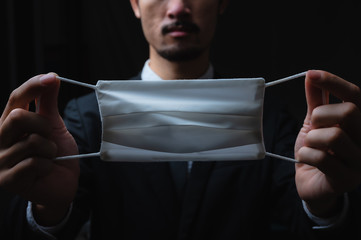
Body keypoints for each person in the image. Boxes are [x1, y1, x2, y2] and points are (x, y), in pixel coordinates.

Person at [1, 0, 361, 239]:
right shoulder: (84, 119)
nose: (178, 7)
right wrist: (48, 209)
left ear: (221, 3)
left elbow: (302, 225)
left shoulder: (269, 119)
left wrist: (324, 206)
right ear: (135, 4)